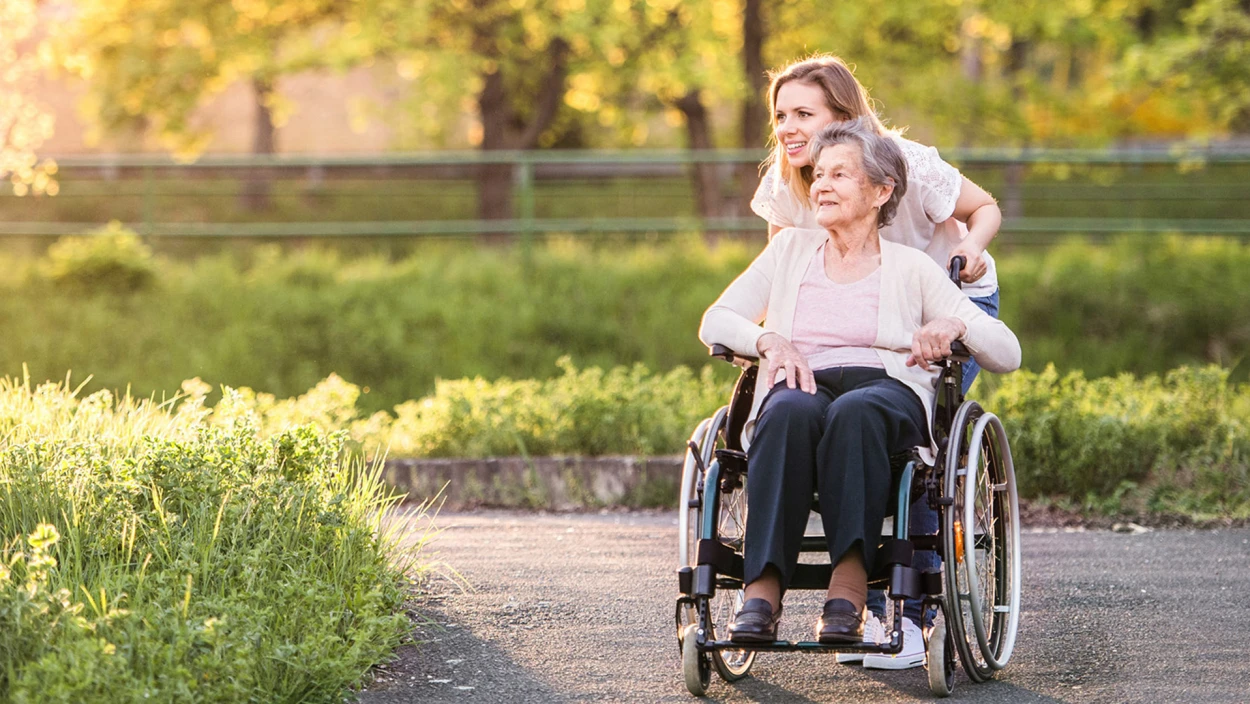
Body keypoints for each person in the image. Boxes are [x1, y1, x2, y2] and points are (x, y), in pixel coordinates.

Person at [699, 119, 1020, 650]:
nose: (821, 184)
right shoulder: (789, 252)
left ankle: (846, 587)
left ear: (880, 191)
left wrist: (956, 324)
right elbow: (716, 319)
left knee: (857, 412)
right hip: (803, 379)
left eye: (840, 175)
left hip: (885, 390)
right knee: (785, 412)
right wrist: (769, 341)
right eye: (818, 174)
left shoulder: (913, 267)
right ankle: (763, 588)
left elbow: (1007, 351)